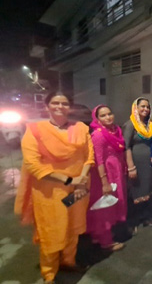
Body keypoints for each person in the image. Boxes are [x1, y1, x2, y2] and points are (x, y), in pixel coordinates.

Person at [14, 91, 94, 284]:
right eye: (55, 103)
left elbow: (88, 156)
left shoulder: (81, 128)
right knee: (51, 230)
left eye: (64, 103)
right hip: (49, 192)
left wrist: (81, 179)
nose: (60, 106)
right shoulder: (35, 130)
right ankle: (49, 273)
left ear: (70, 107)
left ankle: (68, 261)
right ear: (47, 106)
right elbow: (34, 165)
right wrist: (68, 180)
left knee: (73, 228)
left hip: (78, 189)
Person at [87, 105, 127, 251]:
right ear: (97, 119)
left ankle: (98, 236)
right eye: (103, 115)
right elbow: (98, 159)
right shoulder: (98, 134)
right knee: (105, 206)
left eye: (109, 114)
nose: (108, 117)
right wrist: (104, 182)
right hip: (104, 174)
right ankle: (106, 241)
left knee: (110, 203)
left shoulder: (115, 131)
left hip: (115, 171)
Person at [123, 98, 152, 233]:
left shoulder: (149, 125)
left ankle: (145, 217)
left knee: (147, 190)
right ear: (135, 108)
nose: (145, 109)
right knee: (135, 191)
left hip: (149, 164)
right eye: (142, 106)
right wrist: (131, 167)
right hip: (136, 163)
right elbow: (126, 147)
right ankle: (133, 222)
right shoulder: (130, 125)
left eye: (148, 107)